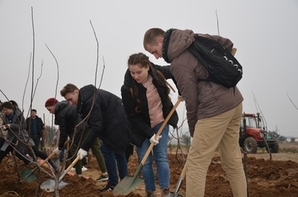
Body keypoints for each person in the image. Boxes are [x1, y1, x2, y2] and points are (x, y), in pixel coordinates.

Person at [143, 28, 247, 197]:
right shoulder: (194, 38)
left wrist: (194, 129)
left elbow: (191, 101)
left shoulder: (178, 63)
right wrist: (216, 69)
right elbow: (227, 44)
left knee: (196, 164)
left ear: (161, 40)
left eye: (154, 51)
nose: (156, 57)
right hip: (234, 101)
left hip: (214, 110)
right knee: (232, 160)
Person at [121, 52, 178, 197]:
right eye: (132, 72)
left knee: (161, 156)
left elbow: (177, 70)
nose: (135, 76)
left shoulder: (158, 73)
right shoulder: (127, 88)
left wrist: (182, 90)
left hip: (160, 121)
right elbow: (131, 116)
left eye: (139, 72)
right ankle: (150, 191)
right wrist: (149, 133)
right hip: (140, 128)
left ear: (147, 67)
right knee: (145, 160)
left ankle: (165, 191)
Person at [60, 83, 131, 192]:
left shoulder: (89, 101)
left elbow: (96, 126)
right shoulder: (86, 99)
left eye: (70, 99)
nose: (70, 103)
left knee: (112, 150)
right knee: (112, 150)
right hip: (114, 122)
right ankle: (118, 183)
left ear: (76, 92)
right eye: (67, 101)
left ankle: (119, 184)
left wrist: (84, 148)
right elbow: (93, 123)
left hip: (119, 122)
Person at [45, 98, 109, 180]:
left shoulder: (60, 113)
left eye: (50, 109)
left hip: (80, 130)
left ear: (54, 105)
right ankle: (105, 173)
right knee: (96, 149)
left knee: (75, 149)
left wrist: (60, 147)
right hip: (90, 126)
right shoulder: (69, 105)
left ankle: (79, 175)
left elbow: (63, 132)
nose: (50, 112)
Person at [0, 101, 58, 172]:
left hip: (22, 137)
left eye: (6, 109)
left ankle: (52, 164)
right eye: (3, 110)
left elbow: (23, 126)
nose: (5, 111)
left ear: (11, 108)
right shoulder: (4, 117)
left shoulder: (19, 115)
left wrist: (11, 125)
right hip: (11, 139)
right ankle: (28, 161)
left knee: (36, 152)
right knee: (3, 152)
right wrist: (4, 127)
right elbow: (4, 125)